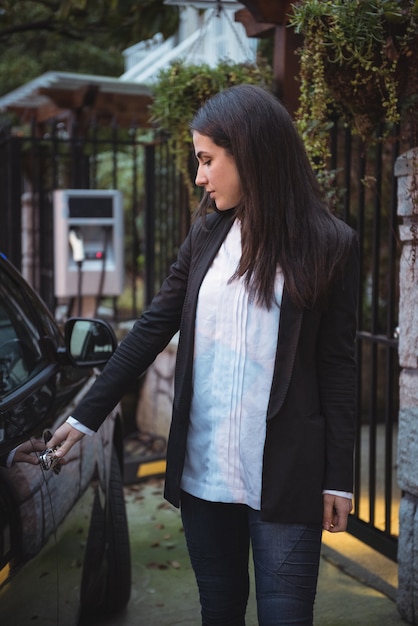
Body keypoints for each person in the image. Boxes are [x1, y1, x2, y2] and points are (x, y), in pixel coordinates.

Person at [49, 84, 359, 626]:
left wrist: (338, 478)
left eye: (208, 160)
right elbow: (151, 327)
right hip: (206, 472)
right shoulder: (206, 235)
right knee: (219, 611)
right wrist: (86, 414)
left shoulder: (330, 242)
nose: (200, 176)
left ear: (252, 153)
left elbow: (337, 366)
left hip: (287, 475)